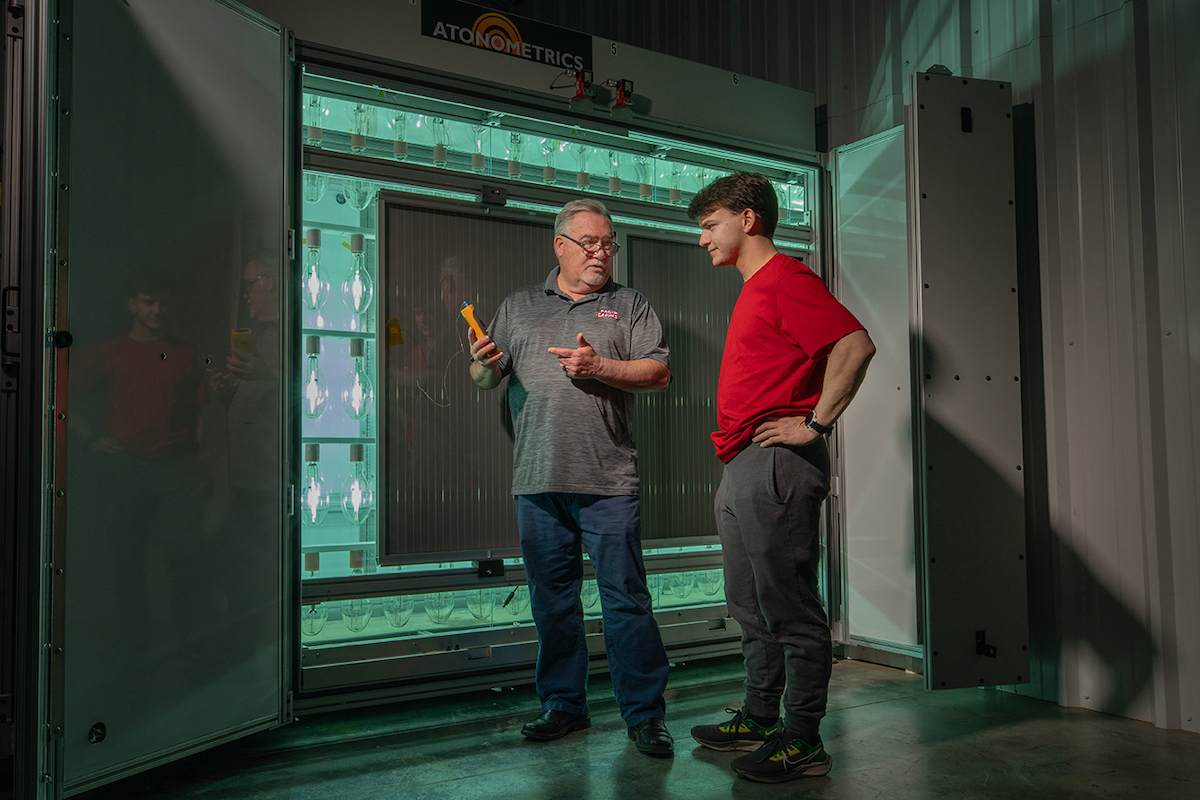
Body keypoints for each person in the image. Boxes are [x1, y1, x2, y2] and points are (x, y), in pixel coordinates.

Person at [468, 198, 675, 757]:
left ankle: (645, 715)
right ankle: (563, 705)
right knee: (552, 602)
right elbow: (484, 377)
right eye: (589, 242)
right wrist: (483, 365)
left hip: (608, 481)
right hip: (536, 481)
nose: (601, 252)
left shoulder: (628, 305)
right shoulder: (518, 306)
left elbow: (657, 372)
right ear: (559, 244)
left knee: (625, 600)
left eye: (608, 243)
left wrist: (600, 366)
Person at [686, 173, 876, 783]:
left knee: (790, 607)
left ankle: (804, 740)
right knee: (748, 602)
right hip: (742, 461)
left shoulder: (786, 280)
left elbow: (855, 345)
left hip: (776, 464)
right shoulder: (753, 288)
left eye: (709, 225)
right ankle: (762, 716)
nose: (702, 239)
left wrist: (815, 425)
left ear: (748, 219)